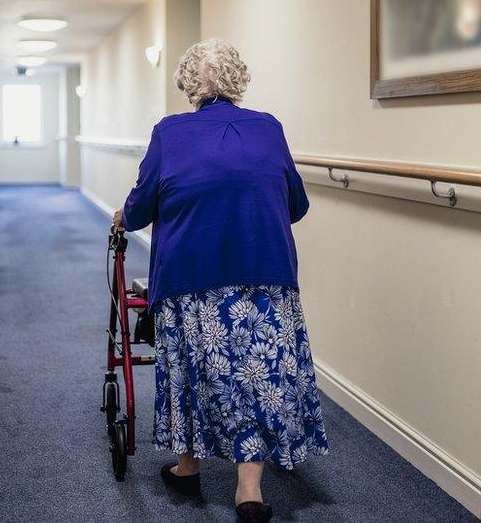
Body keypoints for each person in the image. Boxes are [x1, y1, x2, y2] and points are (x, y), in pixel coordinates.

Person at [112, 38, 329, 523]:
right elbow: (297, 204)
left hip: (192, 275)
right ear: (238, 80)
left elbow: (143, 205)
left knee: (194, 366)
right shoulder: (269, 128)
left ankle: (188, 463)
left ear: (189, 84)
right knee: (258, 376)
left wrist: (123, 216)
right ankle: (248, 491)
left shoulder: (170, 133)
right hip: (265, 273)